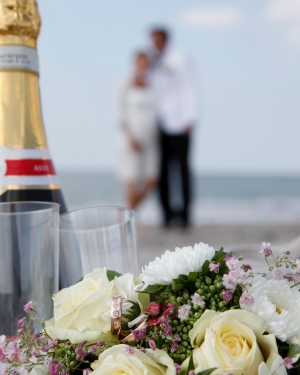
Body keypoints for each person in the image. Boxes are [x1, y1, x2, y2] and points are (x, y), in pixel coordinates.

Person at [149, 28, 199, 228]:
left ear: (166, 39)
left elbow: (191, 87)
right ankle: (167, 215)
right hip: (160, 122)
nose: (155, 43)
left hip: (180, 122)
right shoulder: (152, 61)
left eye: (157, 39)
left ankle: (185, 215)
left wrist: (191, 116)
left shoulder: (181, 58)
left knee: (183, 169)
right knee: (163, 172)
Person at [117, 52, 158, 210]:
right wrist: (129, 136)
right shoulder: (124, 84)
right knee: (132, 178)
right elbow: (119, 113)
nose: (144, 66)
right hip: (132, 138)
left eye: (146, 63)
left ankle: (128, 212)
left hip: (151, 139)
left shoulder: (153, 86)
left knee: (151, 180)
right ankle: (133, 217)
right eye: (141, 63)